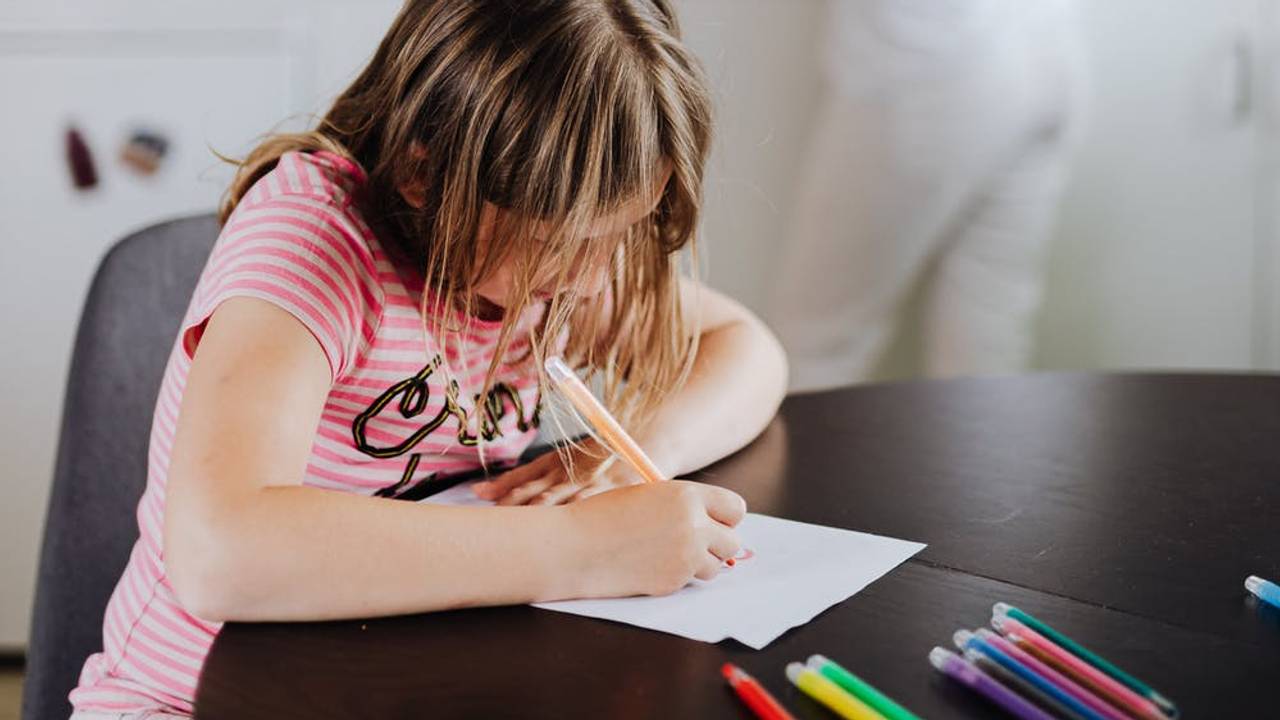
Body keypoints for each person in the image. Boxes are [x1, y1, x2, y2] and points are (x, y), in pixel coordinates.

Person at [68, 1, 788, 716]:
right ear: (426, 175)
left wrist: (623, 457)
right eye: (568, 238)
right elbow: (217, 553)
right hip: (186, 698)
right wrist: (585, 545)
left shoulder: (550, 273)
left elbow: (747, 351)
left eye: (622, 231)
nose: (595, 281)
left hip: (400, 680)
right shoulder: (312, 245)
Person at [770, 0, 1086, 391]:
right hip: (1045, 46)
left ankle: (800, 454)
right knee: (984, 346)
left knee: (818, 342)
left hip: (926, 57)